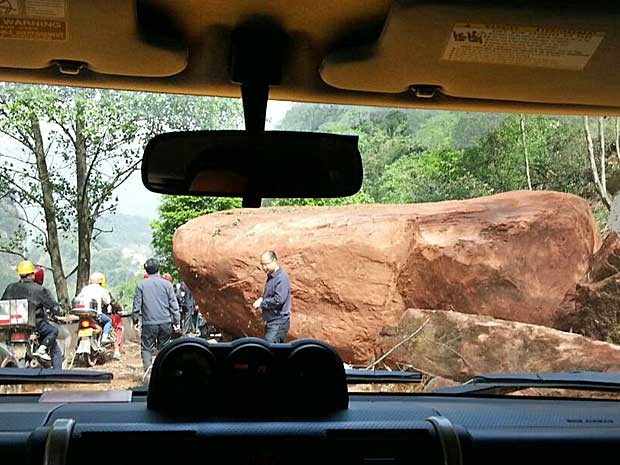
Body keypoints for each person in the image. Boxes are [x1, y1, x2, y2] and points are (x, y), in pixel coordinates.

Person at [1, 260, 61, 366]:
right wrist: (58, 311)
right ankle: (42, 350)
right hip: (34, 324)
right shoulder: (39, 289)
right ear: (32, 274)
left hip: (10, 325)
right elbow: (53, 306)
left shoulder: (10, 287)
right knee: (53, 331)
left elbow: (3, 303)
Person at [132, 258, 180, 371]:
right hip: (165, 323)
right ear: (158, 269)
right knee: (164, 348)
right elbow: (174, 305)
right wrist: (176, 321)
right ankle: (163, 371)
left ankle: (148, 372)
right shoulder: (167, 284)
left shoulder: (141, 285)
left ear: (146, 270)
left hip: (149, 323)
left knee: (146, 348)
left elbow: (136, 306)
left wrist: (135, 320)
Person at [252, 251, 291, 343]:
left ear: (274, 260)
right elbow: (271, 294)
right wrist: (263, 298)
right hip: (271, 322)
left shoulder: (281, 278)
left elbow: (279, 300)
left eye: (266, 264)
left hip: (278, 323)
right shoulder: (271, 277)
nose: (264, 268)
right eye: (262, 265)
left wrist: (262, 303)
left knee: (269, 351)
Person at [76, 272, 114, 345]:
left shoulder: (85, 288)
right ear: (101, 281)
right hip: (96, 314)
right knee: (109, 321)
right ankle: (104, 338)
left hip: (83, 314)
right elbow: (107, 301)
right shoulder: (101, 289)